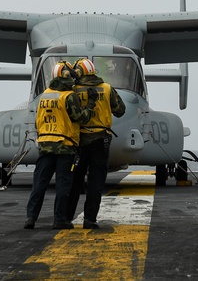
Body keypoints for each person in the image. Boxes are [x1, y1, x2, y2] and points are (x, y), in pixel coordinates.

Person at [24, 61, 97, 230]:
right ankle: (60, 220)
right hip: (65, 146)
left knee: (39, 184)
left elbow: (38, 122)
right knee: (63, 185)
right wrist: (91, 104)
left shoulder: (45, 95)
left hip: (45, 145)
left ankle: (31, 217)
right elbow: (82, 117)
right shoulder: (69, 96)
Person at [66, 58, 126, 229]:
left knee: (75, 181)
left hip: (78, 141)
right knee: (96, 181)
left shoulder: (73, 91)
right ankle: (90, 219)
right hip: (101, 140)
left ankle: (67, 217)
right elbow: (120, 111)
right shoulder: (107, 88)